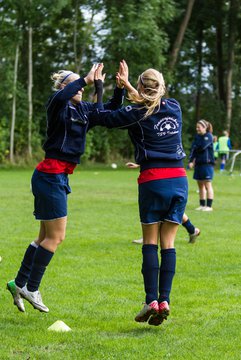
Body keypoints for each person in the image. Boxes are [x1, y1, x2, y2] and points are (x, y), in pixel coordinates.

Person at [7, 63, 124, 313]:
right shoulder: (57, 104)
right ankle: (32, 287)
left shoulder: (82, 111)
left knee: (43, 237)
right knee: (56, 237)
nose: (80, 89)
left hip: (57, 177)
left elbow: (107, 110)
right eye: (75, 84)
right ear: (64, 86)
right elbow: (63, 95)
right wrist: (85, 79)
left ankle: (18, 284)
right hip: (50, 175)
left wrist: (114, 87)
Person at [90, 60, 188, 326]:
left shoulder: (135, 112)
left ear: (143, 88)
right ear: (162, 87)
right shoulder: (175, 107)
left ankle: (150, 301)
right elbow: (149, 104)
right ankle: (165, 300)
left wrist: (104, 86)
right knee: (169, 244)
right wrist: (131, 85)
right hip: (179, 181)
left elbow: (101, 116)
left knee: (149, 244)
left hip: (153, 181)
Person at [126, 162, 200, 244]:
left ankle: (149, 237)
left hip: (166, 175)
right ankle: (192, 230)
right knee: (169, 208)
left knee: (162, 207)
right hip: (169, 175)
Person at [189, 120, 214, 211]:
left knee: (207, 184)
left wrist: (195, 146)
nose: (197, 129)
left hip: (207, 164)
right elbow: (193, 149)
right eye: (196, 127)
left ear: (205, 128)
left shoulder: (208, 136)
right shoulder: (197, 137)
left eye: (199, 127)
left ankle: (209, 206)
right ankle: (202, 205)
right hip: (198, 164)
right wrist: (191, 161)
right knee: (200, 185)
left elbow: (202, 147)